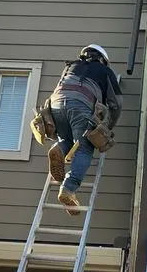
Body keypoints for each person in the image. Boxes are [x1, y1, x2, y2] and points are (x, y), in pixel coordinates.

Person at [48, 44, 122, 215]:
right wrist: (108, 127)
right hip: (81, 105)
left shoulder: (70, 66)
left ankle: (58, 148)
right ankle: (68, 188)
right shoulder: (105, 71)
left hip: (56, 106)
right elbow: (116, 103)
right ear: (102, 59)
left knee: (66, 138)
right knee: (84, 148)